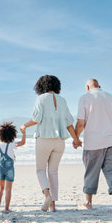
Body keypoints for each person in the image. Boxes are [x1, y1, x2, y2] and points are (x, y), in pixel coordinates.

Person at [21, 75, 81, 212]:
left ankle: (47, 195)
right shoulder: (63, 100)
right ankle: (53, 206)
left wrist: (24, 126)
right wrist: (76, 139)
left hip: (44, 139)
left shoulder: (40, 99)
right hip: (60, 142)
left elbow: (36, 119)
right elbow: (69, 123)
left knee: (40, 170)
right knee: (53, 172)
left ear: (40, 86)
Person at [73, 78, 112, 214]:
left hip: (93, 142)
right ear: (100, 86)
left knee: (91, 172)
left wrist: (76, 138)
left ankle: (88, 202)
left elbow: (80, 123)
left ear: (87, 87)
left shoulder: (85, 98)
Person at [0, 122, 26, 213]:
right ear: (12, 135)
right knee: (8, 189)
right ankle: (6, 208)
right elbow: (22, 142)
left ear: (0, 136)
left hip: (0, 169)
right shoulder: (12, 145)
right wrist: (24, 133)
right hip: (10, 169)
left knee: (0, 188)